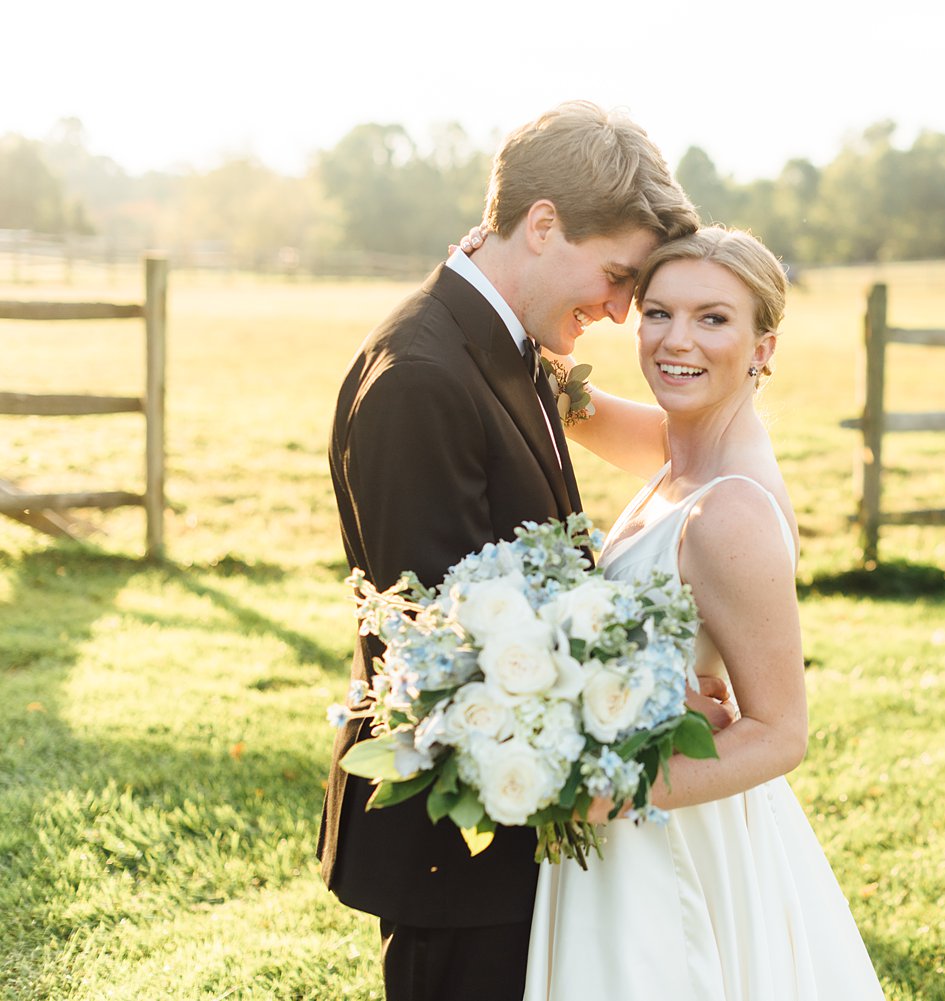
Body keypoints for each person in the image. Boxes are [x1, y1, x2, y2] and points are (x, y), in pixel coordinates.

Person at [320, 101, 715, 1001]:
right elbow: (446, 648)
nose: (620, 310)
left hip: (519, 838)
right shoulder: (421, 377)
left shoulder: (504, 344)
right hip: (458, 854)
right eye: (616, 275)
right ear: (542, 224)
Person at [463, 224, 885, 999]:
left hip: (666, 830)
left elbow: (781, 732)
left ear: (764, 346)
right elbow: (565, 397)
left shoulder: (728, 512)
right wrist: (489, 262)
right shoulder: (679, 447)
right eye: (656, 312)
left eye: (713, 318)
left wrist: (607, 790)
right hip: (632, 813)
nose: (674, 340)